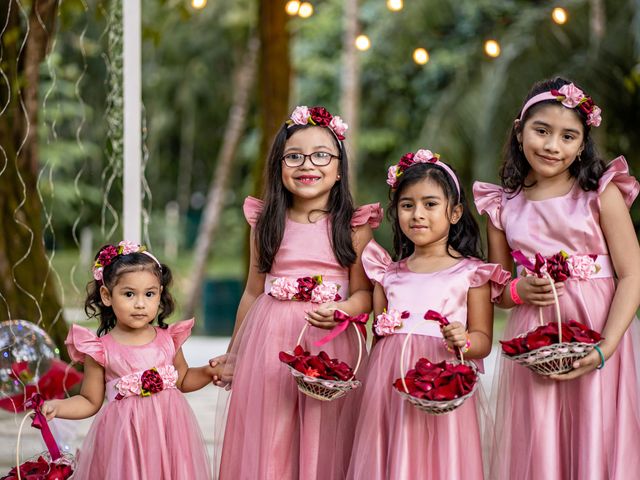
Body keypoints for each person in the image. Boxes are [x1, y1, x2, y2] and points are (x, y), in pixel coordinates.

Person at [474, 77, 640, 479]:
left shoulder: (600, 193)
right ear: (519, 131)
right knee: (542, 437)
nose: (552, 146)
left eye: (568, 136)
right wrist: (518, 288)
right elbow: (499, 289)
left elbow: (632, 272)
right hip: (538, 337)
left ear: (582, 144)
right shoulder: (503, 205)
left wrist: (607, 347)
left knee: (596, 435)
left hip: (601, 331)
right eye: (542, 131)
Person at [213, 106, 381, 479]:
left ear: (339, 168)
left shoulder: (353, 227)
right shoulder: (265, 223)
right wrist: (235, 353)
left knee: (325, 433)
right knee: (272, 432)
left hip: (329, 342)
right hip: (270, 344)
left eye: (322, 155)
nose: (308, 164)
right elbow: (252, 292)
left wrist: (342, 309)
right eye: (294, 156)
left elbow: (364, 294)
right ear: (278, 166)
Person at [347, 149, 509, 479]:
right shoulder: (386, 273)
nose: (417, 214)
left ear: (455, 212)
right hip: (389, 384)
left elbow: (482, 341)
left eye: (430, 204)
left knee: (440, 460)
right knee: (392, 455)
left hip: (442, 382)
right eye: (407, 205)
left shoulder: (472, 274)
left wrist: (463, 339)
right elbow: (378, 338)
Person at [42, 241, 220, 479]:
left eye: (149, 294)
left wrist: (208, 373)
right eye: (128, 294)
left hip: (169, 436)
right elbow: (89, 401)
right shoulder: (100, 350)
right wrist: (59, 406)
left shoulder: (168, 340)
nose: (140, 303)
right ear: (107, 295)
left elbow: (183, 379)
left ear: (160, 294)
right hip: (124, 441)